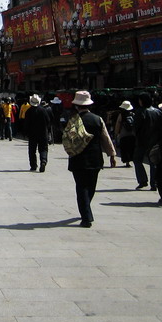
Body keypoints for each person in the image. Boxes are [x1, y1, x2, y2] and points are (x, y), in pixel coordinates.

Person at [66, 90, 116, 228]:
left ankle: (86, 216)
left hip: (78, 159)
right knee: (91, 187)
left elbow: (67, 140)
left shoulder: (73, 120)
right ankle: (86, 209)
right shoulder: (97, 119)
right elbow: (106, 138)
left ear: (76, 105)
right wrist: (112, 155)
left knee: (81, 187)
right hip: (95, 159)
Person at [134, 91, 161, 191]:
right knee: (153, 162)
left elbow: (136, 127)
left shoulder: (141, 111)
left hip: (142, 140)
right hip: (155, 140)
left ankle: (142, 180)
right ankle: (154, 183)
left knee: (137, 160)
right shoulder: (157, 112)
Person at [24, 94, 52, 172]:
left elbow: (26, 124)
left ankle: (33, 165)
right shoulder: (43, 110)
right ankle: (43, 161)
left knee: (32, 150)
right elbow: (48, 121)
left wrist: (25, 133)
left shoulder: (28, 111)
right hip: (43, 133)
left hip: (32, 134)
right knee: (43, 148)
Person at [113, 100, 137, 169]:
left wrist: (116, 133)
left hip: (123, 134)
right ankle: (130, 160)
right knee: (131, 148)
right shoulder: (133, 114)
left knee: (124, 148)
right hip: (132, 134)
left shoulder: (121, 115)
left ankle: (127, 162)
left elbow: (118, 125)